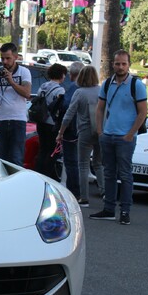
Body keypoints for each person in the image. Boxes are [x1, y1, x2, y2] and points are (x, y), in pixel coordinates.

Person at [90, 50, 147, 225]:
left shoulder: (136, 85)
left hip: (125, 138)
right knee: (109, 174)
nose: (120, 67)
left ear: (129, 64)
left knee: (125, 174)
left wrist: (130, 134)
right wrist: (100, 131)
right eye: (117, 63)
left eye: (123, 63)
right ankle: (108, 209)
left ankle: (125, 210)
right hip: (108, 135)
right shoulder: (107, 83)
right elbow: (100, 108)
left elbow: (143, 112)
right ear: (113, 64)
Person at [57, 65, 104, 207]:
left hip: (84, 131)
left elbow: (69, 114)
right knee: (99, 163)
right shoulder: (101, 91)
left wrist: (61, 132)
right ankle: (104, 191)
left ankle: (84, 197)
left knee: (83, 165)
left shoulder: (79, 93)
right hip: (101, 130)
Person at [0, 42, 32, 166]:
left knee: (16, 158)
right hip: (0, 120)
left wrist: (11, 81)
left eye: (8, 58)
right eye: (2, 58)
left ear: (15, 57)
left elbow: (27, 93)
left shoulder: (24, 72)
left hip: (18, 120)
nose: (4, 61)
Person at [34, 63, 67, 180]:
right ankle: (47, 175)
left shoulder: (43, 86)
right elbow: (61, 107)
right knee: (52, 151)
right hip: (52, 123)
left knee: (42, 149)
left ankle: (38, 173)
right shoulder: (60, 90)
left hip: (40, 121)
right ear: (62, 75)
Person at [59, 61, 85, 199]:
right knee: (81, 162)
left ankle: (74, 192)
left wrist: (61, 130)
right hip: (84, 129)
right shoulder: (90, 89)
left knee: (71, 162)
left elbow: (67, 109)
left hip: (72, 130)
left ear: (72, 74)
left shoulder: (73, 89)